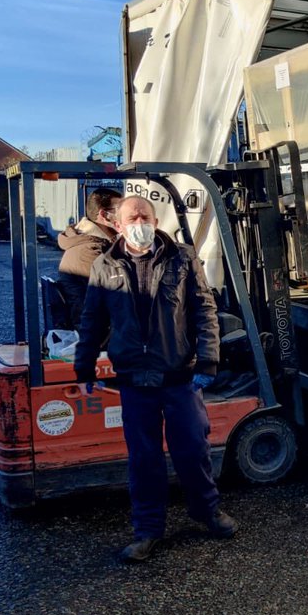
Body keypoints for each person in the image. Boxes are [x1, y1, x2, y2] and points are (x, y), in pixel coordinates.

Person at [74, 194, 236, 562]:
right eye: (132, 218)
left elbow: (204, 310)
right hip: (134, 381)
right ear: (118, 224)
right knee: (143, 459)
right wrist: (84, 366)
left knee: (193, 450)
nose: (140, 223)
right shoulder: (104, 265)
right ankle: (147, 530)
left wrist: (208, 361)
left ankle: (207, 511)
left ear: (156, 220)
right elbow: (92, 320)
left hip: (179, 378)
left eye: (145, 216)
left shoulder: (182, 258)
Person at [56, 187, 123, 325]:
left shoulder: (94, 242)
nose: (125, 217)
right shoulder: (90, 250)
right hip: (95, 326)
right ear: (104, 215)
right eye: (121, 212)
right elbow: (119, 286)